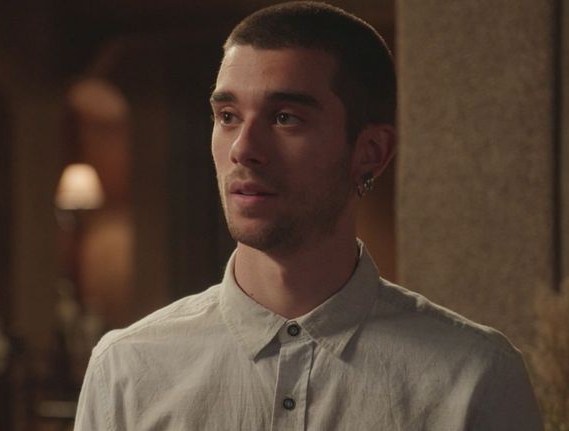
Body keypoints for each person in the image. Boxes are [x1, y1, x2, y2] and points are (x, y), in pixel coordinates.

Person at [74, 2, 543, 429]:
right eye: (229, 116)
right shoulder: (127, 371)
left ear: (371, 151)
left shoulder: (474, 379)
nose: (243, 149)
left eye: (285, 118)